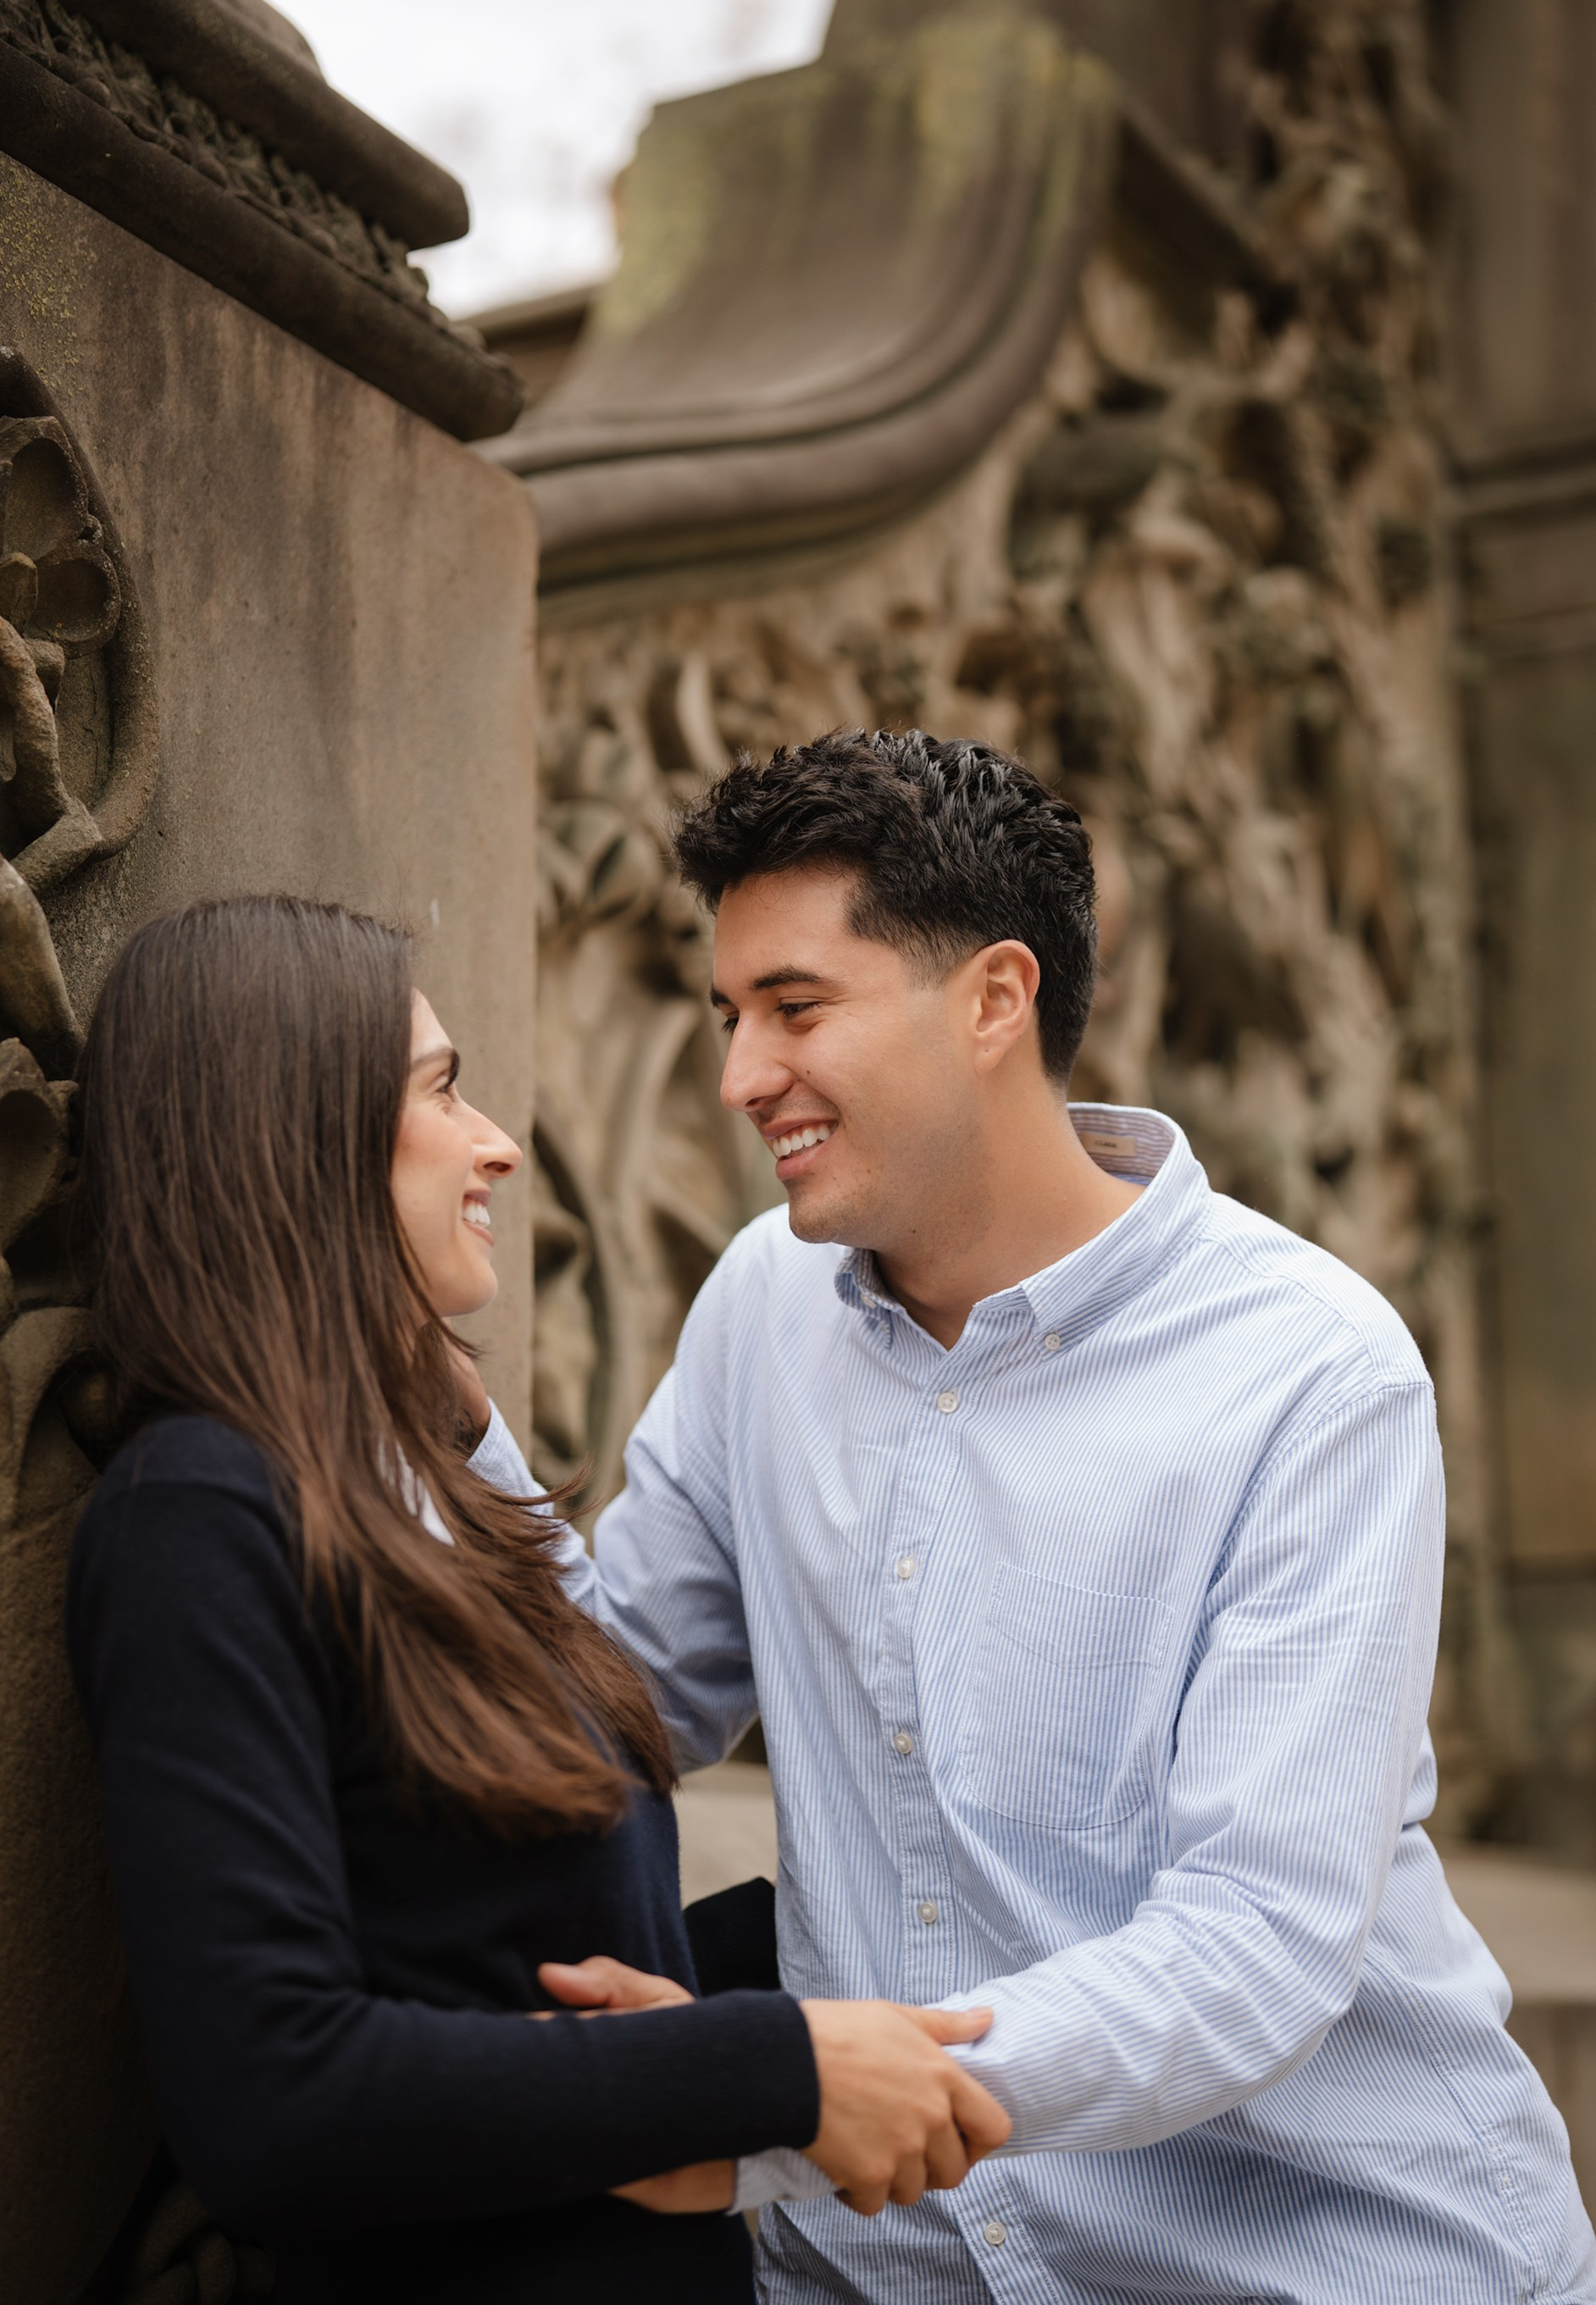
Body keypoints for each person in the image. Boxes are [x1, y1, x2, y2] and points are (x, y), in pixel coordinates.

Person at [480, 732, 1596, 2303]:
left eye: (797, 1009)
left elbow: (1255, 1946)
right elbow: (601, 1708)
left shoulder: (1312, 1373)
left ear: (995, 1000)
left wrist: (781, 2108)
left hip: (1318, 2260)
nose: (739, 1078)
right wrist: (411, 1382)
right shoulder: (760, 1309)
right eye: (731, 1015)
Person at [64, 895, 1008, 2305]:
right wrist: (780, 2064)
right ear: (295, 1138)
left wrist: (848, 1972)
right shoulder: (197, 1514)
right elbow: (275, 2098)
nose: (498, 1141)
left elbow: (531, 1964)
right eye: (440, 1091)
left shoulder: (415, 1493)